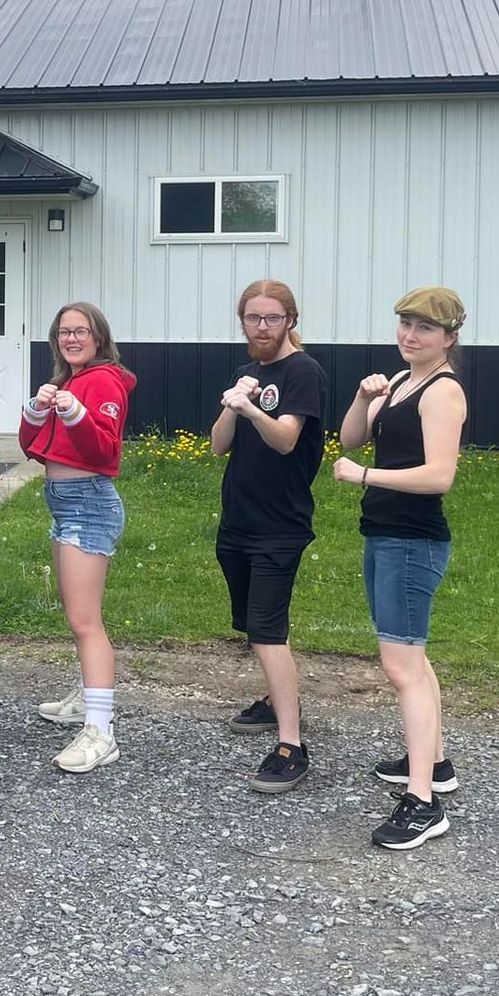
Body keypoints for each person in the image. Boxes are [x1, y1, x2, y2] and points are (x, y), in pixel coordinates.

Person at [333, 286, 469, 850]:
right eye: (406, 324)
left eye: (425, 328)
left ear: (449, 338)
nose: (410, 335)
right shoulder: (402, 381)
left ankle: (423, 805)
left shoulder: (443, 391)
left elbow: (439, 476)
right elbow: (351, 438)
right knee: (413, 658)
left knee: (402, 667)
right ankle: (434, 765)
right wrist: (363, 398)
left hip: (412, 541)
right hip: (386, 534)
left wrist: (364, 475)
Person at [211, 278, 329, 794]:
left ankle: (291, 744)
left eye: (272, 318)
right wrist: (232, 402)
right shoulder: (247, 373)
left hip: (280, 525)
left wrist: (252, 408)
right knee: (254, 625)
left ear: (290, 321)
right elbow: (217, 445)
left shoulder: (303, 371)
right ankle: (277, 699)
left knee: (266, 629)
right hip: (238, 519)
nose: (261, 327)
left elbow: (285, 440)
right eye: (253, 318)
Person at [19, 302, 135, 774]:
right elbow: (31, 447)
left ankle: (101, 732)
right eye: (63, 332)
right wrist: (35, 410)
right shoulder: (70, 381)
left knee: (86, 621)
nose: (71, 339)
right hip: (66, 502)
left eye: (80, 331)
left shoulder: (103, 380)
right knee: (76, 614)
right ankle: (88, 696)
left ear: (98, 337)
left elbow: (103, 450)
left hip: (87, 503)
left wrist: (76, 415)